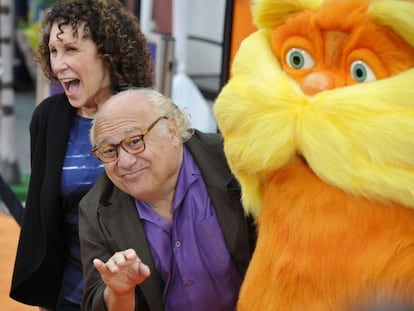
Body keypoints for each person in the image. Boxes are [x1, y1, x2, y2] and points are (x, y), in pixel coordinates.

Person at [10, 0, 154, 310]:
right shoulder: (48, 118)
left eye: (71, 49)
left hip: (138, 294)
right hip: (70, 294)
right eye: (53, 51)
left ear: (108, 52)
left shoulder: (147, 114)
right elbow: (44, 215)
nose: (58, 64)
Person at [78, 88, 257, 310]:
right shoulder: (96, 209)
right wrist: (119, 292)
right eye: (109, 151)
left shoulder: (232, 161)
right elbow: (95, 303)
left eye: (134, 141)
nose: (124, 161)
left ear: (172, 130)